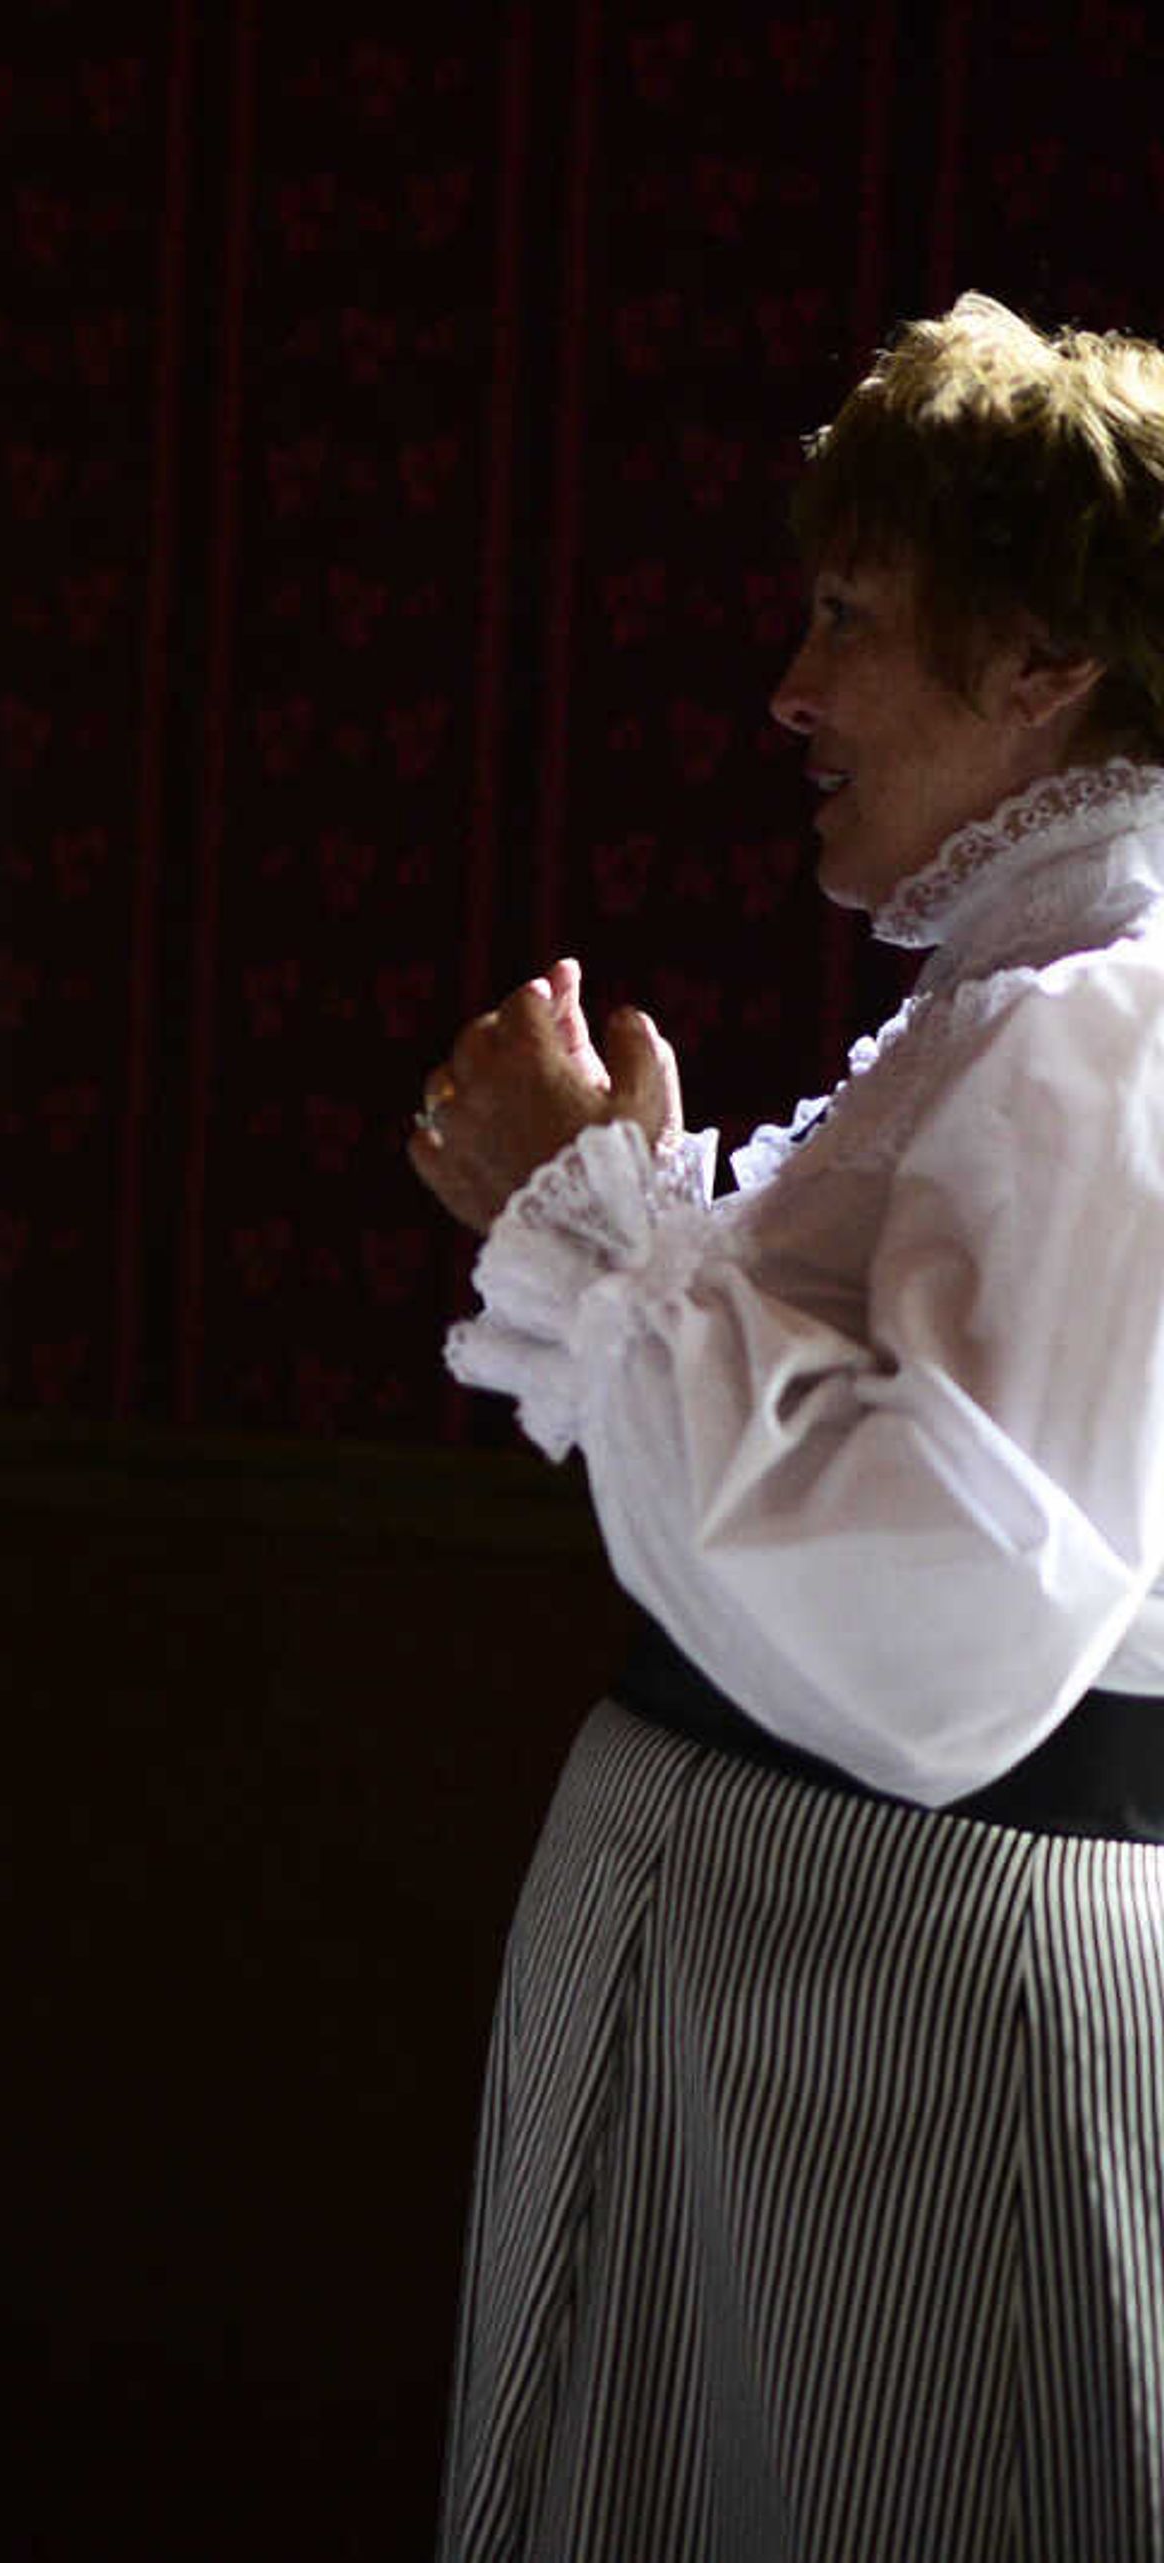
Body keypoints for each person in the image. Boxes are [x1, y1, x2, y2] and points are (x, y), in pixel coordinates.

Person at [415, 293, 1164, 2560]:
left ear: (1039, 656)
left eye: (849, 615)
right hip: (810, 1976)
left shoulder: (1096, 1033)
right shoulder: (1010, 1007)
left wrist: (590, 1220)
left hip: (902, 2017)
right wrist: (654, 1234)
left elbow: (954, 1610)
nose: (794, 690)